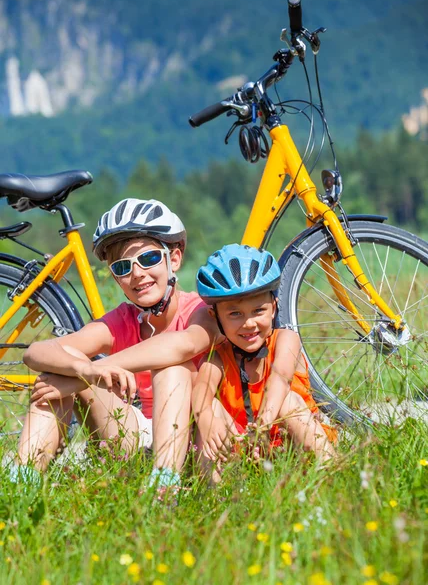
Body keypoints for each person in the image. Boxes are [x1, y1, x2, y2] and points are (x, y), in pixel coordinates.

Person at [19, 198, 218, 489]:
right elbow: (37, 352)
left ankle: (165, 490)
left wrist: (85, 376)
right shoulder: (122, 320)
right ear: (115, 278)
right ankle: (21, 484)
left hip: (190, 440)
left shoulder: (200, 310)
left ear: (173, 259)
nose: (137, 273)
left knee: (173, 368)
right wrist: (81, 370)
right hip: (131, 440)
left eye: (148, 259)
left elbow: (181, 346)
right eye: (123, 267)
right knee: (59, 368)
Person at [192, 244, 336, 481]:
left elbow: (280, 376)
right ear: (215, 317)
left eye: (258, 310)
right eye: (235, 314)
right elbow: (201, 388)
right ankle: (216, 496)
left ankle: (333, 476)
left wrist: (263, 426)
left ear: (274, 308)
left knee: (287, 401)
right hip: (246, 455)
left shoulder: (286, 340)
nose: (248, 323)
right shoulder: (218, 356)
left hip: (296, 449)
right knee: (209, 409)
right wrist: (206, 418)